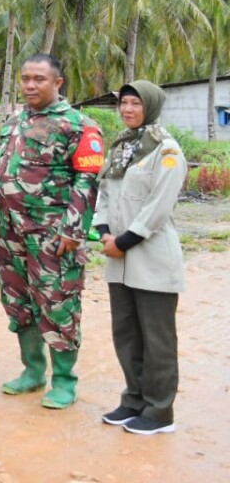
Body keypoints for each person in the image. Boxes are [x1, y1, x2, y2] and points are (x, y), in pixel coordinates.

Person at [0, 53, 104, 410]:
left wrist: (73, 231)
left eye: (39, 79)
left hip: (53, 236)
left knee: (58, 305)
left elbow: (86, 181)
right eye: (25, 78)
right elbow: (0, 173)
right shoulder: (12, 122)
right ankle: (33, 371)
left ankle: (65, 381)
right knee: (18, 303)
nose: (29, 85)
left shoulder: (78, 125)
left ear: (58, 83)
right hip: (12, 235)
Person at [94, 80, 186, 435]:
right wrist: (103, 232)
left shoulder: (166, 150)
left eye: (136, 103)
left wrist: (124, 240)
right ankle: (133, 399)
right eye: (124, 103)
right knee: (127, 333)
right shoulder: (121, 149)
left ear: (151, 106)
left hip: (150, 256)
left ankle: (160, 411)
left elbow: (158, 206)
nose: (128, 110)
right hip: (118, 255)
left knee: (157, 338)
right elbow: (104, 193)